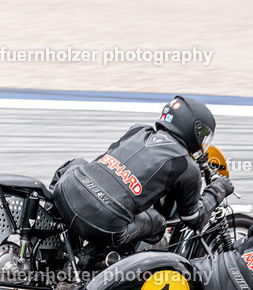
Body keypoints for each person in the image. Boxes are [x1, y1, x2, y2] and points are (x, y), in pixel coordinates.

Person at [49, 96, 235, 262]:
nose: (203, 142)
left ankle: (50, 219)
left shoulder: (138, 130)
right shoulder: (186, 166)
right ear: (192, 129)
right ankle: (91, 258)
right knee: (157, 221)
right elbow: (193, 218)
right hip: (103, 222)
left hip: (66, 192)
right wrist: (218, 189)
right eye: (203, 135)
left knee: (79, 162)